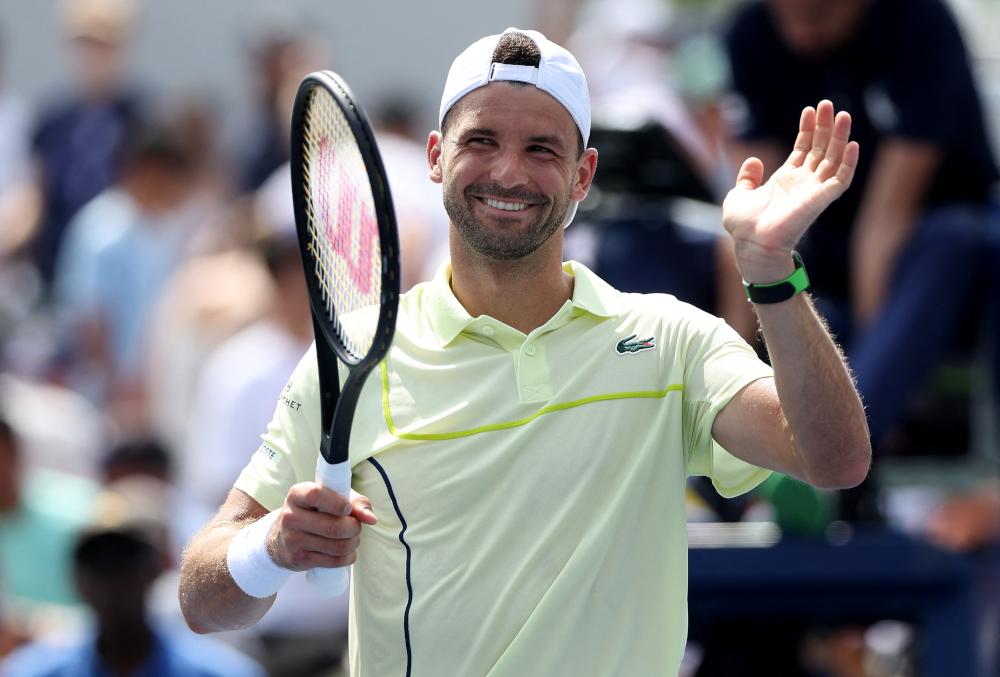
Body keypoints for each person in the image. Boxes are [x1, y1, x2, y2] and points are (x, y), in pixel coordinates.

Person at [178, 28, 870, 676]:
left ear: (582, 175)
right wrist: (273, 547)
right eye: (481, 140)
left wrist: (772, 270)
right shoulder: (356, 354)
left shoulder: (669, 339)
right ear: (435, 156)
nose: (509, 172)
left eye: (542, 148)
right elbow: (200, 598)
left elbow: (833, 457)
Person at [721, 0, 1000, 467]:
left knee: (947, 242)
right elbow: (753, 208)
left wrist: (872, 365)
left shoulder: (920, 24)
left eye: (818, 17)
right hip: (825, 246)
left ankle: (837, 454)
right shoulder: (748, 33)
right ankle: (721, 449)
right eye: (787, 18)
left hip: (934, 248)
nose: (800, 38)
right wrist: (736, 346)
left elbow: (889, 214)